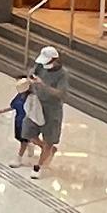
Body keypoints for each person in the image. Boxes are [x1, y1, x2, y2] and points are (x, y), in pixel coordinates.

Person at [24, 46, 67, 179]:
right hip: (37, 104)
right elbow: (31, 73)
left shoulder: (62, 74)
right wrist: (30, 79)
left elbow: (60, 93)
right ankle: (46, 149)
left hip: (52, 109)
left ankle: (39, 166)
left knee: (49, 138)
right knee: (28, 132)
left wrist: (43, 85)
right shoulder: (40, 66)